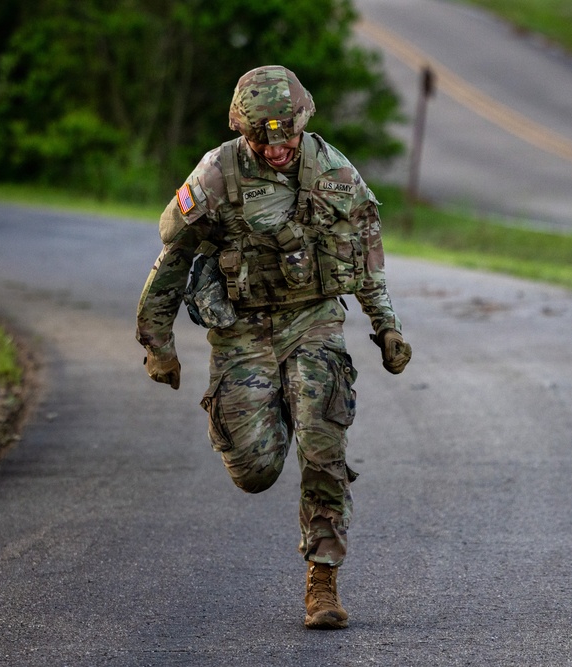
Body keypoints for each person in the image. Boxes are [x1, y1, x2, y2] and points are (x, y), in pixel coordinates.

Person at [136, 65, 411, 630]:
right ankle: (274, 408)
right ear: (244, 132)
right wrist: (157, 339)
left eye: (287, 136)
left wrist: (387, 327)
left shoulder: (336, 174)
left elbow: (366, 258)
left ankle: (323, 579)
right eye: (264, 139)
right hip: (241, 329)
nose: (278, 148)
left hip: (313, 321)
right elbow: (173, 257)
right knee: (254, 469)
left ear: (302, 123)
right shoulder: (217, 174)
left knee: (323, 440)